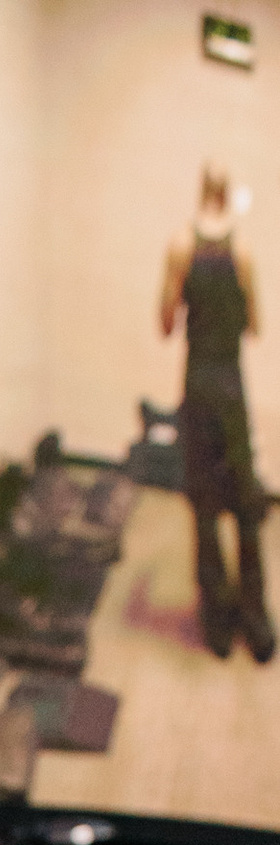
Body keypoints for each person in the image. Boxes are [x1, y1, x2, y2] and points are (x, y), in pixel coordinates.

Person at [161, 168, 275, 663]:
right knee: (246, 505)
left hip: (198, 382)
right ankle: (259, 626)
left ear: (198, 192)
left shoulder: (179, 246)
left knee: (205, 505)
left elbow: (164, 323)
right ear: (227, 198)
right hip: (231, 386)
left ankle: (218, 630)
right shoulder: (244, 253)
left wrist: (188, 302)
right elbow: (255, 325)